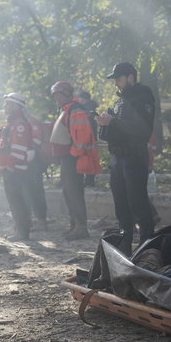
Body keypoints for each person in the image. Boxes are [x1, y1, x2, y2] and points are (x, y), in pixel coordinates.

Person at [97, 62, 156, 256]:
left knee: (138, 205)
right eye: (114, 80)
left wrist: (112, 121)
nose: (116, 84)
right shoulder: (120, 100)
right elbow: (119, 130)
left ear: (131, 77)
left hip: (134, 158)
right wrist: (105, 124)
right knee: (121, 206)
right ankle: (124, 249)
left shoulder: (142, 97)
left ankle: (147, 250)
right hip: (117, 159)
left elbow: (142, 130)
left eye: (119, 79)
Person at [50, 81, 101, 240]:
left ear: (66, 93)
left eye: (57, 94)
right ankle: (74, 225)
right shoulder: (68, 109)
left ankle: (81, 227)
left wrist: (73, 154)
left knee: (74, 192)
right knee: (68, 192)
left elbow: (83, 136)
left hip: (73, 158)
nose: (56, 98)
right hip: (68, 158)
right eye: (54, 95)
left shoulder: (75, 109)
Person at [0, 93, 34, 241]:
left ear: (16, 106)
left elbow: (19, 148)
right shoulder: (12, 122)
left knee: (17, 200)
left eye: (7, 104)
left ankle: (22, 232)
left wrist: (10, 166)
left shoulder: (19, 124)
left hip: (14, 169)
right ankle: (19, 229)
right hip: (9, 168)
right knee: (14, 200)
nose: (5, 106)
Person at [22, 106, 49, 231]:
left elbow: (36, 140)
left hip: (33, 163)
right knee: (25, 192)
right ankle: (27, 220)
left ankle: (41, 221)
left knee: (35, 191)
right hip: (23, 162)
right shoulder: (18, 122)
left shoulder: (30, 122)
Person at [78, 91, 99, 188]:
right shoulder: (90, 107)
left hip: (89, 138)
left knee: (88, 159)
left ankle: (89, 181)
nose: (79, 99)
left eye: (81, 98)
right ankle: (89, 181)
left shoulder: (87, 108)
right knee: (89, 159)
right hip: (91, 137)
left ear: (84, 99)